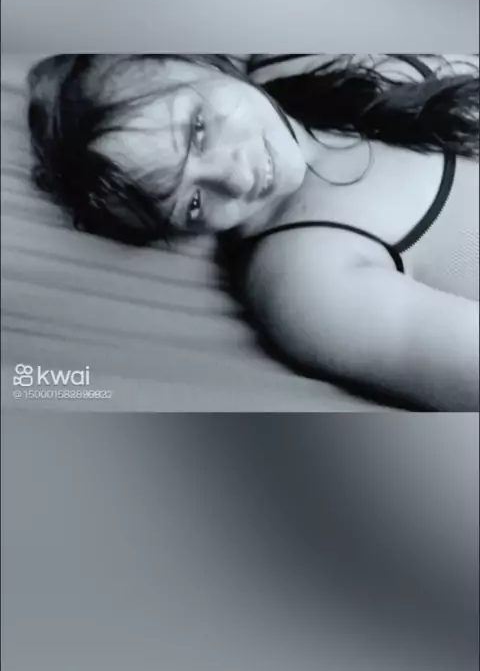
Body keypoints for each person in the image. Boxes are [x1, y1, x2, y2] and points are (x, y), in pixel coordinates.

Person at [27, 53, 479, 411]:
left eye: (198, 130)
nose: (237, 179)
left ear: (199, 62)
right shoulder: (305, 279)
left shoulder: (296, 52)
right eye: (194, 204)